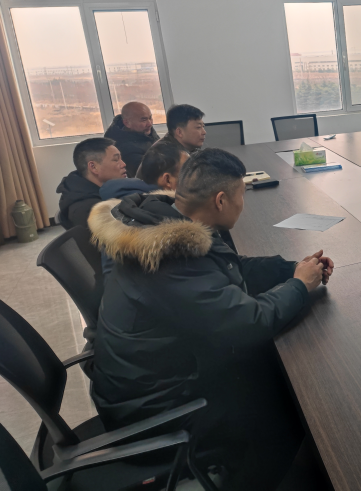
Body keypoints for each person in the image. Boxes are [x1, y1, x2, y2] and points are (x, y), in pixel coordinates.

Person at [88, 148, 334, 489]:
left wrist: (290, 269)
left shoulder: (164, 224)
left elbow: (227, 269)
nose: (243, 204)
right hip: (155, 412)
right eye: (241, 195)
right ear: (220, 200)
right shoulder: (173, 259)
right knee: (293, 407)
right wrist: (299, 286)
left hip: (153, 380)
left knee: (280, 374)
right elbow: (250, 322)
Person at [97, 141, 190, 276]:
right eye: (188, 173)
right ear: (168, 180)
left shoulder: (130, 199)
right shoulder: (152, 211)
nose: (195, 178)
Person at [57, 138, 126, 229]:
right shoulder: (88, 210)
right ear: (93, 167)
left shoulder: (96, 191)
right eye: (116, 160)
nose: (123, 164)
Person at [103, 101, 160, 177]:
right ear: (127, 123)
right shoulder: (123, 147)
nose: (149, 123)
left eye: (150, 118)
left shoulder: (143, 130)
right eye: (144, 120)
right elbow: (150, 173)